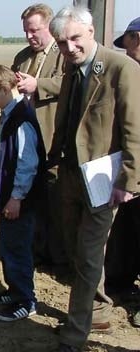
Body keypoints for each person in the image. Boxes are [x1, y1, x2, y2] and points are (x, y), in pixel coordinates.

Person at [46, 6, 140, 352]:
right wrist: (53, 159)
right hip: (70, 175)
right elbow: (66, 115)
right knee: (75, 254)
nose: (69, 47)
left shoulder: (122, 69)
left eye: (75, 38)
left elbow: (134, 129)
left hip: (103, 180)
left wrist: (128, 181)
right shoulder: (72, 69)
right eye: (62, 42)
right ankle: (95, 309)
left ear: (91, 31)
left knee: (87, 257)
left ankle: (73, 340)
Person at [0, 65, 46, 322]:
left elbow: (26, 164)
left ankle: (26, 300)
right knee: (8, 245)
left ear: (5, 89)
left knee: (17, 248)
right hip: (9, 198)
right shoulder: (10, 113)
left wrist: (16, 197)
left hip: (19, 202)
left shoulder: (21, 119)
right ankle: (14, 290)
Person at [11, 3, 66, 271]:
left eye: (34, 30)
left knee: (55, 200)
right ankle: (37, 249)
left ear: (50, 27)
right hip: (27, 138)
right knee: (32, 196)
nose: (30, 36)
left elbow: (69, 82)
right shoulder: (22, 57)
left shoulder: (64, 52)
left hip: (54, 138)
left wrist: (38, 85)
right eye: (26, 31)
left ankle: (58, 256)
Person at [109, 17, 140, 328]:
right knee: (128, 228)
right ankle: (119, 282)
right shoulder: (134, 76)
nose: (128, 54)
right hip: (133, 169)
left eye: (129, 46)